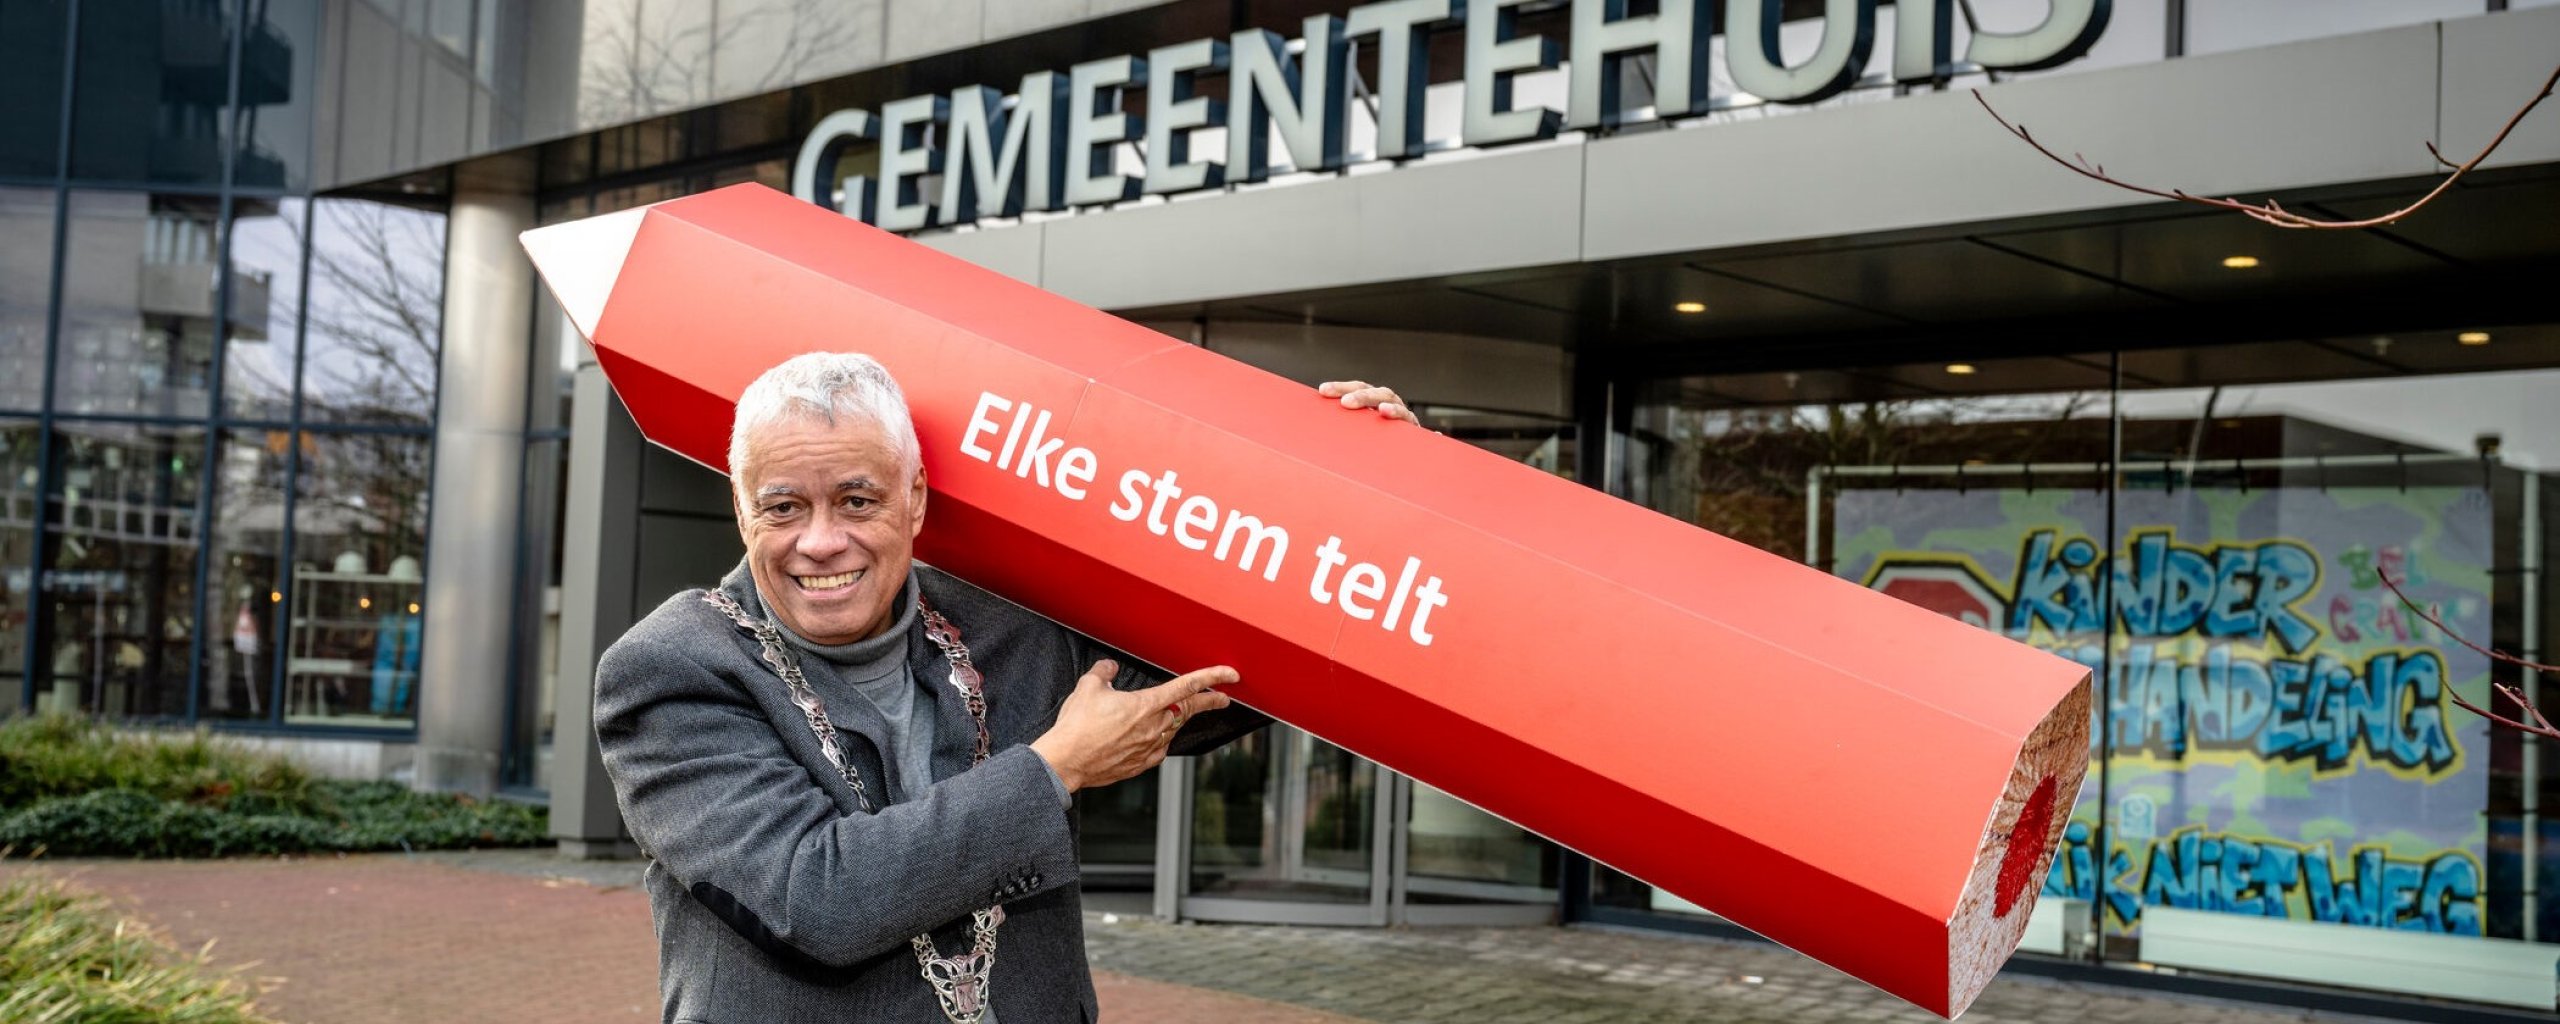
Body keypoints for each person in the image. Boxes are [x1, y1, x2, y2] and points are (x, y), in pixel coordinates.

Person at [594, 353, 1416, 1023]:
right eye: (783, 507)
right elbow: (815, 899)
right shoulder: (671, 668)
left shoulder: (1007, 622)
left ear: (914, 498)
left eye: (857, 499)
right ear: (741, 510)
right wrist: (1054, 768)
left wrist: (1368, 507)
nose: (822, 540)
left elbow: (1215, 679)